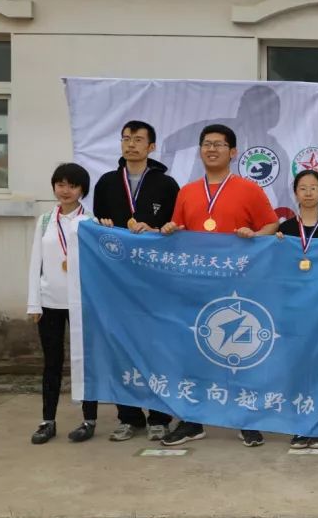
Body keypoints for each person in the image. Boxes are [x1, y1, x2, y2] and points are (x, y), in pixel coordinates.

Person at [159, 124, 280, 447]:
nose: (212, 149)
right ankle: (192, 421)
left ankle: (245, 419)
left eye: (219, 144)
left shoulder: (249, 189)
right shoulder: (187, 191)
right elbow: (179, 229)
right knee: (193, 352)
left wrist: (255, 235)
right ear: (200, 150)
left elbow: (272, 224)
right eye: (206, 144)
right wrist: (170, 229)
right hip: (195, 286)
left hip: (238, 286)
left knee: (240, 352)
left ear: (233, 152)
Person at [91, 120, 179, 442]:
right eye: (126, 138)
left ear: (151, 147)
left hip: (155, 280)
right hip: (117, 279)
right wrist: (102, 226)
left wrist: (156, 230)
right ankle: (128, 417)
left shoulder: (166, 185)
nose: (131, 144)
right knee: (121, 347)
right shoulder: (106, 183)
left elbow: (175, 229)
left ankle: (159, 416)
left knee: (155, 348)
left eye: (138, 139)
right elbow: (99, 228)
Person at [27, 163, 98, 444]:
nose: (65, 190)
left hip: (82, 304)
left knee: (85, 362)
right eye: (60, 184)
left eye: (72, 185)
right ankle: (48, 421)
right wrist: (34, 303)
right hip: (50, 302)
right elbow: (36, 263)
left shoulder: (90, 222)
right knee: (52, 362)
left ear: (82, 190)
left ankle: (89, 419)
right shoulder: (45, 220)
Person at [276, 169, 318, 450]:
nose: (307, 192)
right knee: (296, 368)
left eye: (313, 187)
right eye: (302, 187)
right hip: (293, 311)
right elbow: (276, 269)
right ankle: (300, 426)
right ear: (295, 193)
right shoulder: (285, 230)